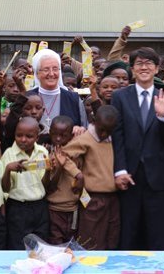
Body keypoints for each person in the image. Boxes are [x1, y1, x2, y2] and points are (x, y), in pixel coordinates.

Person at [111, 47, 164, 250]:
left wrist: (163, 116)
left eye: (149, 63)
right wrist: (120, 170)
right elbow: (117, 136)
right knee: (129, 234)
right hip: (129, 176)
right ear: (132, 69)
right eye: (139, 63)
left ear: (157, 68)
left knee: (157, 236)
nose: (144, 67)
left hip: (157, 177)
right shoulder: (120, 97)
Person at [66, 105, 120, 250]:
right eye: (101, 129)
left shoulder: (114, 138)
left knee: (112, 238)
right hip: (92, 197)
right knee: (90, 239)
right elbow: (64, 155)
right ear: (94, 121)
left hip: (114, 197)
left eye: (108, 130)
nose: (103, 134)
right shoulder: (86, 138)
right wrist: (77, 174)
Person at [2, 117, 50, 250]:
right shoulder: (9, 154)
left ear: (37, 137)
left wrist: (50, 170)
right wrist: (8, 170)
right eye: (19, 135)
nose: (23, 139)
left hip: (40, 206)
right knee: (18, 246)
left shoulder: (43, 152)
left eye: (29, 136)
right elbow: (5, 188)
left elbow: (45, 184)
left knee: (41, 246)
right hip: (18, 208)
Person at [28, 48, 87, 131]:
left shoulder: (73, 99)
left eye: (55, 69)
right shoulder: (27, 97)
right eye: (46, 69)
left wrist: (80, 129)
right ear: (37, 73)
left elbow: (84, 128)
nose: (51, 74)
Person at [44, 115, 79, 244]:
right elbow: (49, 186)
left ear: (71, 136)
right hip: (54, 209)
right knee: (55, 241)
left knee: (71, 241)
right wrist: (59, 166)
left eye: (63, 135)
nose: (58, 139)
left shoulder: (77, 154)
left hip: (73, 208)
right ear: (49, 133)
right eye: (55, 135)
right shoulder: (47, 154)